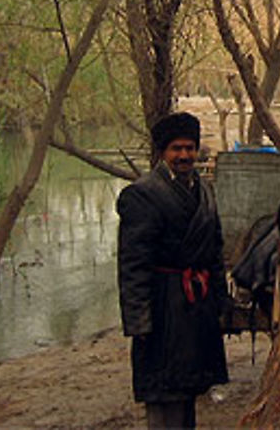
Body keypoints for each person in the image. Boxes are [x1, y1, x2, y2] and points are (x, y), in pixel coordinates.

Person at [117, 112, 230, 428]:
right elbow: (132, 265)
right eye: (176, 149)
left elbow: (215, 249)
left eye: (190, 148)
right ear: (163, 153)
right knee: (163, 390)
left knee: (188, 388)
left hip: (196, 305)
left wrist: (220, 302)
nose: (184, 155)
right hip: (163, 305)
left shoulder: (205, 190)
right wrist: (139, 321)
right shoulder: (142, 194)